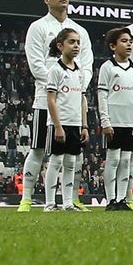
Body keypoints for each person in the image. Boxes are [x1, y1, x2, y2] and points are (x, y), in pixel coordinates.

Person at [20, 0, 86, 213]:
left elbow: (87, 64)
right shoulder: (38, 27)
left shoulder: (80, 31)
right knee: (38, 149)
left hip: (72, 103)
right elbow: (35, 63)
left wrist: (76, 86)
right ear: (46, 0)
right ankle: (26, 198)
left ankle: (71, 199)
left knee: (72, 156)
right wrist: (57, 80)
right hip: (44, 100)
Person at [97, 27, 133, 211]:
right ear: (113, 46)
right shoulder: (107, 67)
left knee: (126, 160)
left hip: (130, 121)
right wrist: (105, 122)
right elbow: (102, 96)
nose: (129, 44)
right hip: (114, 122)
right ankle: (111, 200)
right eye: (124, 41)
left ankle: (122, 198)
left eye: (130, 41)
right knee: (113, 159)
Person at [45, 29, 90, 211]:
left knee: (71, 163)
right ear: (60, 45)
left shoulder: (79, 71)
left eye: (78, 42)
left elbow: (81, 99)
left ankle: (67, 203)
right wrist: (57, 126)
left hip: (75, 123)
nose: (76, 46)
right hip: (59, 123)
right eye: (71, 42)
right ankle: (49, 203)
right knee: (55, 161)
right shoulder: (55, 70)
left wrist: (84, 125)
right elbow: (51, 99)